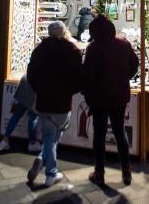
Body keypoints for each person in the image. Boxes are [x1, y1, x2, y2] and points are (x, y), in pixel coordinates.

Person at [26, 21, 83, 187]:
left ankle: (41, 159)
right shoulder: (72, 51)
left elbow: (31, 75)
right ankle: (50, 174)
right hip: (63, 101)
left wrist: (39, 89)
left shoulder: (39, 50)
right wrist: (71, 90)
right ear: (65, 32)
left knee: (50, 136)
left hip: (43, 100)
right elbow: (79, 77)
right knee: (53, 137)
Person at [84, 16, 139, 186]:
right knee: (120, 132)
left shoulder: (94, 47)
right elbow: (134, 65)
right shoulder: (123, 44)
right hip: (119, 95)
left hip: (100, 98)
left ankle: (99, 173)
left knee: (99, 135)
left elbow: (89, 76)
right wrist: (123, 79)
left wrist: (88, 94)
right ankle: (126, 171)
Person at [0, 74, 40, 153]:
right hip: (35, 89)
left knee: (16, 115)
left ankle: (4, 140)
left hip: (24, 85)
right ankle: (32, 143)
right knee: (33, 117)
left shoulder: (34, 62)